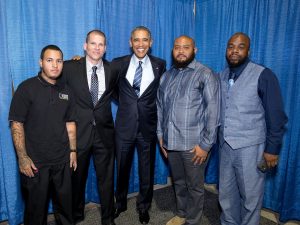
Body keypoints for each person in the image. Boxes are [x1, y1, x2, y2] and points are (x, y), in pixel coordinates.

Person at [218, 32, 288, 225]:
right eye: (231, 46)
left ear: (248, 50)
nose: (234, 51)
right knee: (225, 195)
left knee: (250, 198)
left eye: (240, 47)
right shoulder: (222, 75)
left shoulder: (263, 75)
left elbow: (276, 115)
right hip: (225, 146)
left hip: (251, 148)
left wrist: (272, 149)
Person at [9, 45, 77, 225]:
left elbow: (70, 123)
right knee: (35, 214)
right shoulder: (26, 88)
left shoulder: (66, 91)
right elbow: (16, 124)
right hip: (35, 163)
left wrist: (73, 150)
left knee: (66, 211)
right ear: (41, 63)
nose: (55, 65)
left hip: (62, 160)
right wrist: (22, 157)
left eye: (59, 60)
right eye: (49, 60)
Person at [157, 35, 220, 225]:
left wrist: (206, 145)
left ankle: (193, 221)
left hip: (194, 146)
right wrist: (160, 136)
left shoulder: (205, 74)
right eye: (177, 47)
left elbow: (213, 112)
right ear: (173, 50)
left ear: (195, 50)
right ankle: (182, 213)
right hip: (171, 142)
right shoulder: (167, 76)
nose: (181, 51)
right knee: (179, 183)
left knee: (195, 187)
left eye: (186, 47)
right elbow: (160, 108)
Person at [111, 26, 166, 224]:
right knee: (121, 168)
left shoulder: (161, 64)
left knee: (146, 170)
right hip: (124, 127)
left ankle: (144, 206)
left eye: (145, 40)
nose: (140, 44)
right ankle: (120, 203)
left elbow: (160, 95)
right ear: (130, 42)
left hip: (148, 128)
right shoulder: (118, 64)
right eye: (136, 40)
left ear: (150, 43)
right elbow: (110, 88)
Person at [62, 30, 118, 225]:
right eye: (93, 44)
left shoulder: (113, 70)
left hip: (104, 134)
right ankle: (76, 214)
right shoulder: (69, 67)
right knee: (76, 178)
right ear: (85, 46)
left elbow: (120, 95)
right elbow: (48, 81)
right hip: (78, 134)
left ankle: (108, 219)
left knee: (107, 179)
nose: (97, 48)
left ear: (105, 48)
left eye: (101, 44)